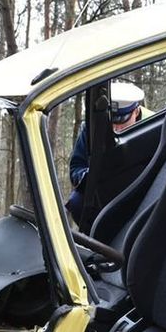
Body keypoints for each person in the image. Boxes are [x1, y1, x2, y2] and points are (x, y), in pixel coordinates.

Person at [66, 81, 145, 227]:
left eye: (123, 120)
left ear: (136, 111)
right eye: (113, 120)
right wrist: (91, 175)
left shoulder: (152, 125)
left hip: (140, 195)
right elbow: (76, 168)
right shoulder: (91, 129)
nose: (117, 126)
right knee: (77, 202)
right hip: (100, 196)